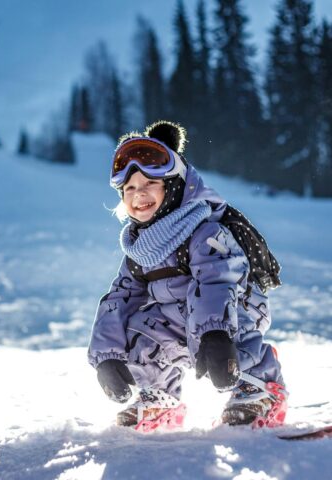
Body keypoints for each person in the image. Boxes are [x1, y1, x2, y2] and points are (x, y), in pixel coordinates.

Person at [87, 120, 288, 431]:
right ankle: (160, 395)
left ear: (175, 186)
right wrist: (106, 356)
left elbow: (217, 281)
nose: (139, 194)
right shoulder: (141, 250)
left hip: (233, 310)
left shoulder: (204, 229)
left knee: (206, 310)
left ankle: (261, 385)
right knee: (138, 326)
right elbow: (118, 298)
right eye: (130, 189)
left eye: (149, 184)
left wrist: (215, 334)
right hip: (187, 321)